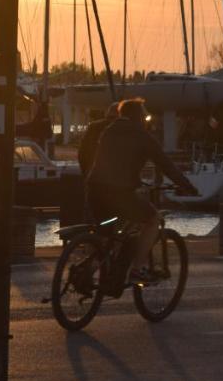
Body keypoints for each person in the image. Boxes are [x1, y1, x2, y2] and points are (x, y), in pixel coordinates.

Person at [86, 98, 199, 280]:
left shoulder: (108, 131)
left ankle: (88, 272)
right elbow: (166, 165)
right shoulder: (142, 136)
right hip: (119, 193)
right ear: (139, 117)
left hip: (94, 190)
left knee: (110, 235)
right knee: (153, 220)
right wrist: (188, 187)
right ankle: (137, 269)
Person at [77, 102, 120, 176]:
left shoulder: (93, 126)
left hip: (93, 172)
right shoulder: (123, 128)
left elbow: (82, 151)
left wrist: (85, 170)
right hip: (116, 175)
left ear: (108, 112)